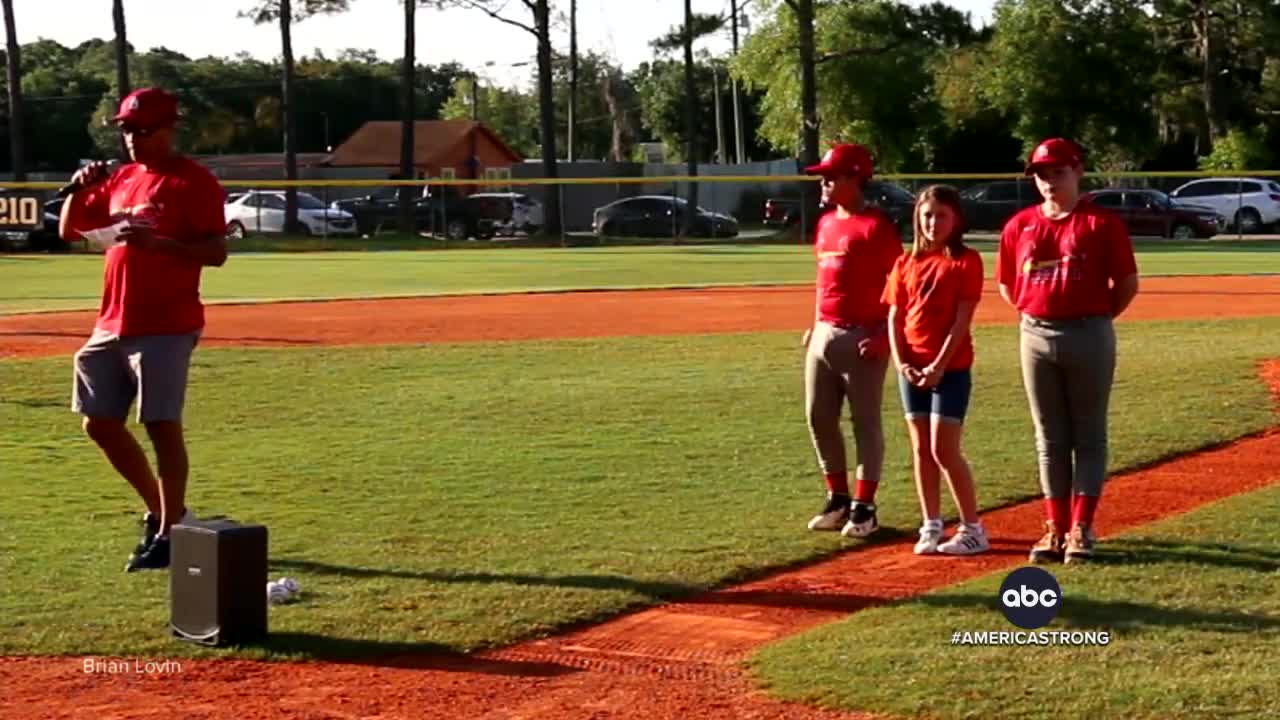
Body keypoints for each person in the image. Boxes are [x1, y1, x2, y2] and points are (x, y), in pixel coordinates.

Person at [59, 87, 229, 572]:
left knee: (159, 424)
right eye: (127, 130)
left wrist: (160, 244)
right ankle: (164, 513)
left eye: (143, 130)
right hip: (111, 320)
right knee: (98, 422)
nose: (133, 139)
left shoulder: (192, 182)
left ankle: (170, 531)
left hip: (166, 322)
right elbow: (70, 232)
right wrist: (76, 188)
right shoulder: (124, 178)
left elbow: (216, 252)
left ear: (170, 129)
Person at [996, 138, 1139, 564]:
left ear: (1078, 172)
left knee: (1089, 434)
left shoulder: (1100, 224)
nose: (1048, 181)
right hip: (1035, 335)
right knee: (1049, 438)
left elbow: (1127, 285)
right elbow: (1008, 286)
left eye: (1057, 172)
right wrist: (1038, 315)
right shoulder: (1019, 225)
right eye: (1041, 174)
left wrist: (1094, 319)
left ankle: (1082, 527)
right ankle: (1055, 527)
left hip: (1089, 332)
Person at [802, 143, 903, 539]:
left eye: (831, 176)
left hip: (864, 335)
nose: (823, 183)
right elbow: (822, 281)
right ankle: (838, 498)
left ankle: (865, 506)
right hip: (826, 332)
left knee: (865, 422)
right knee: (818, 416)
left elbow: (900, 288)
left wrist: (885, 338)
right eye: (823, 176)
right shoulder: (826, 224)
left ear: (854, 178)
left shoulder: (876, 227)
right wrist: (814, 324)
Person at [883, 185, 988, 556]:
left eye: (941, 215)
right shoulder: (905, 263)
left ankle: (973, 527)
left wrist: (938, 366)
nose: (933, 222)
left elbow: (961, 322)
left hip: (951, 368)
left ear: (955, 219)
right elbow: (895, 316)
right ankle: (931, 523)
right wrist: (903, 362)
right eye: (927, 215)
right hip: (912, 369)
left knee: (944, 449)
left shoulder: (965, 261)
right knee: (920, 448)